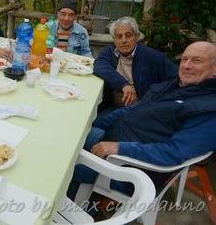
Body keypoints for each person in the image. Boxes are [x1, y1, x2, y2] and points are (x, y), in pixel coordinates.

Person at [68, 41, 216, 199]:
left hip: (129, 169)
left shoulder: (208, 109)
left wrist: (120, 148)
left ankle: (77, 209)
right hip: (114, 137)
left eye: (197, 60)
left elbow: (174, 153)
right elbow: (133, 110)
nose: (186, 65)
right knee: (67, 134)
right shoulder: (176, 86)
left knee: (63, 165)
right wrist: (93, 124)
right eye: (184, 59)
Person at [94, 16, 178, 112]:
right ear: (114, 40)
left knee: (99, 123)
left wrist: (154, 93)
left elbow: (177, 77)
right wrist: (124, 85)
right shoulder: (110, 52)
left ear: (136, 37)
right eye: (119, 36)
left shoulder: (152, 56)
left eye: (128, 35)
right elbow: (99, 66)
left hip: (141, 109)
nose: (124, 40)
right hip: (112, 106)